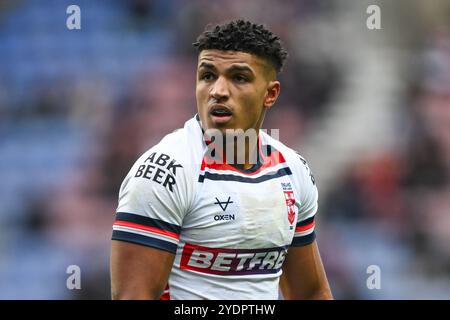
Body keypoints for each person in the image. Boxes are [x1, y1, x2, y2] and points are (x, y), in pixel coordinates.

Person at [110, 19, 333, 300]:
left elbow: (310, 293)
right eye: (208, 76)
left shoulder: (293, 171)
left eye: (238, 77)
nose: (218, 91)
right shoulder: (164, 173)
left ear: (271, 94)